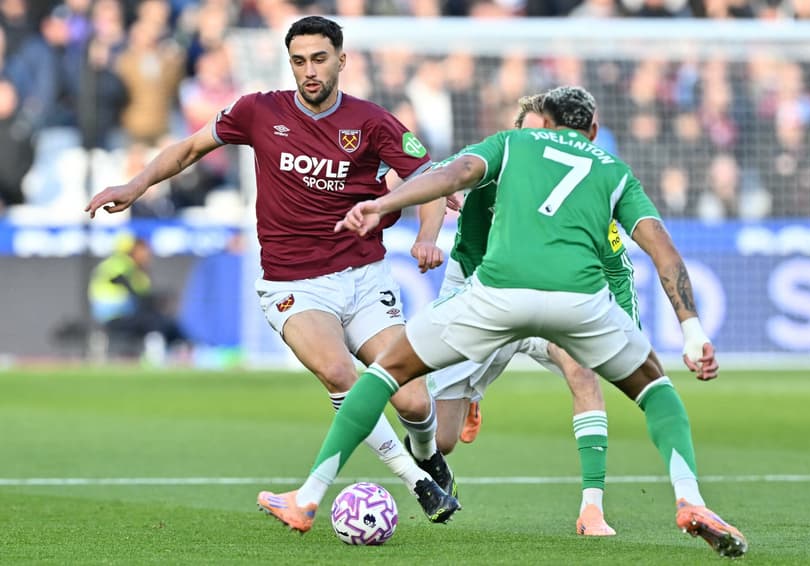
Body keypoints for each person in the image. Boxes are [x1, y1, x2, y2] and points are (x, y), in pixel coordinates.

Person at [269, 85, 748, 559]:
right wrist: (692, 331)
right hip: (578, 301)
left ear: (548, 123)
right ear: (594, 130)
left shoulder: (513, 142)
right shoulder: (614, 171)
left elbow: (453, 173)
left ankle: (308, 495)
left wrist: (381, 205)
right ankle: (691, 499)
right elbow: (662, 249)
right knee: (657, 391)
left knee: (382, 374)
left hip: (496, 294)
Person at [85, 15, 460, 524]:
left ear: (341, 61)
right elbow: (191, 148)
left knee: (414, 401)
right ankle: (419, 483)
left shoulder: (371, 121)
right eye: (299, 61)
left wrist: (424, 238)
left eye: (319, 59)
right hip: (293, 283)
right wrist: (136, 185)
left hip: (365, 278)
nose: (309, 70)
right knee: (338, 372)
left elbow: (431, 179)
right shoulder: (258, 111)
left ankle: (426, 455)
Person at [412, 92, 626, 537]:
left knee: (581, 369)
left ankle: (593, 509)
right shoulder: (494, 160)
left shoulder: (579, 185)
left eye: (546, 135)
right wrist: (429, 236)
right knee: (440, 441)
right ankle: (466, 394)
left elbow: (616, 264)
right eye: (530, 135)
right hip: (476, 295)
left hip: (541, 300)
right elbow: (433, 177)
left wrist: (629, 331)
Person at [87, 234, 187, 359]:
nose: (146, 255)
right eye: (142, 251)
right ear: (132, 251)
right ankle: (156, 356)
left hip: (119, 315)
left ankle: (179, 352)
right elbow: (138, 295)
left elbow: (144, 295)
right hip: (115, 316)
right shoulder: (121, 265)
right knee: (153, 321)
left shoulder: (129, 268)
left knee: (165, 321)